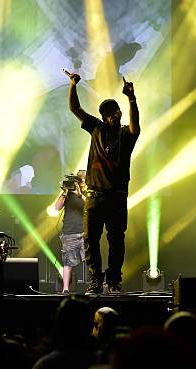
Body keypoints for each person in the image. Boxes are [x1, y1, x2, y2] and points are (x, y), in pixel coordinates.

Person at [67, 72, 140, 295]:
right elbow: (75, 109)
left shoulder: (126, 134)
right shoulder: (96, 128)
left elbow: (136, 125)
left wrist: (131, 98)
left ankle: (114, 281)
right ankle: (95, 281)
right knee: (91, 240)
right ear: (104, 116)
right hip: (95, 196)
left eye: (115, 110)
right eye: (109, 112)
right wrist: (73, 85)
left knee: (116, 240)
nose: (114, 114)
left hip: (117, 196)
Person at [54, 171, 87, 294]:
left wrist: (79, 194)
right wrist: (65, 192)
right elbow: (57, 208)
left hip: (85, 231)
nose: (81, 182)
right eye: (79, 180)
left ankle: (93, 285)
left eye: (83, 180)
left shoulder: (87, 194)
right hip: (70, 232)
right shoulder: (67, 195)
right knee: (68, 261)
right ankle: (66, 288)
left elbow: (89, 204)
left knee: (90, 259)